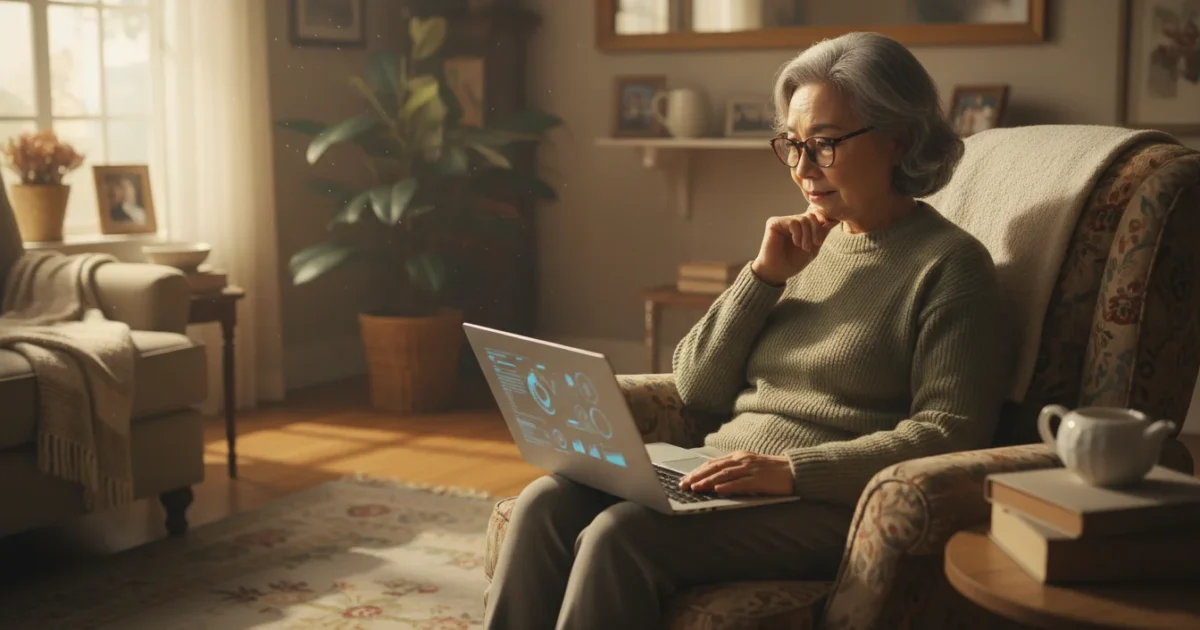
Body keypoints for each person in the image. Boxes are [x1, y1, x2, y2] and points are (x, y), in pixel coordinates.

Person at [485, 31, 1012, 630]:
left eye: (825, 145)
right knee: (545, 504)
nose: (802, 168)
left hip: (826, 501)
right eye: (791, 144)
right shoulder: (806, 246)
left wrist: (791, 472)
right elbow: (697, 386)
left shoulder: (951, 266)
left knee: (620, 536)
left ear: (901, 139)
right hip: (719, 474)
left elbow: (950, 432)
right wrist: (761, 278)